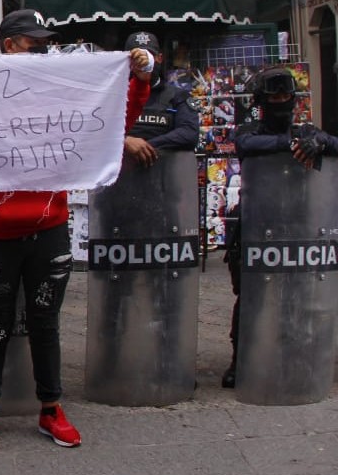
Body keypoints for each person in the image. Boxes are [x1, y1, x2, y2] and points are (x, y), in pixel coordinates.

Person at [0, 9, 151, 452]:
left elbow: (115, 116)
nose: (39, 47)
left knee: (45, 324)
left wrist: (136, 78)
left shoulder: (56, 87)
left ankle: (51, 408)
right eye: (29, 40)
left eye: (42, 40)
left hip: (49, 231)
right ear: (7, 43)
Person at [222, 66, 338, 388]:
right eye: (275, 96)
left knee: (300, 295)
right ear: (262, 100)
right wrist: (294, 142)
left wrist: (320, 141)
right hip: (257, 226)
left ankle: (298, 351)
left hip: (297, 224)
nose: (281, 101)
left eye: (286, 95)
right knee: (250, 298)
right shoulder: (249, 129)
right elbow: (248, 146)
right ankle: (240, 359)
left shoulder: (306, 132)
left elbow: (334, 145)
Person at [121, 32, 200, 165]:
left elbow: (189, 133)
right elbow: (97, 133)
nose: (143, 62)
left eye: (148, 57)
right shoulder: (115, 96)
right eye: (137, 58)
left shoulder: (178, 95)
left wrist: (145, 147)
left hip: (165, 175)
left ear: (159, 58)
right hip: (121, 177)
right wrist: (125, 142)